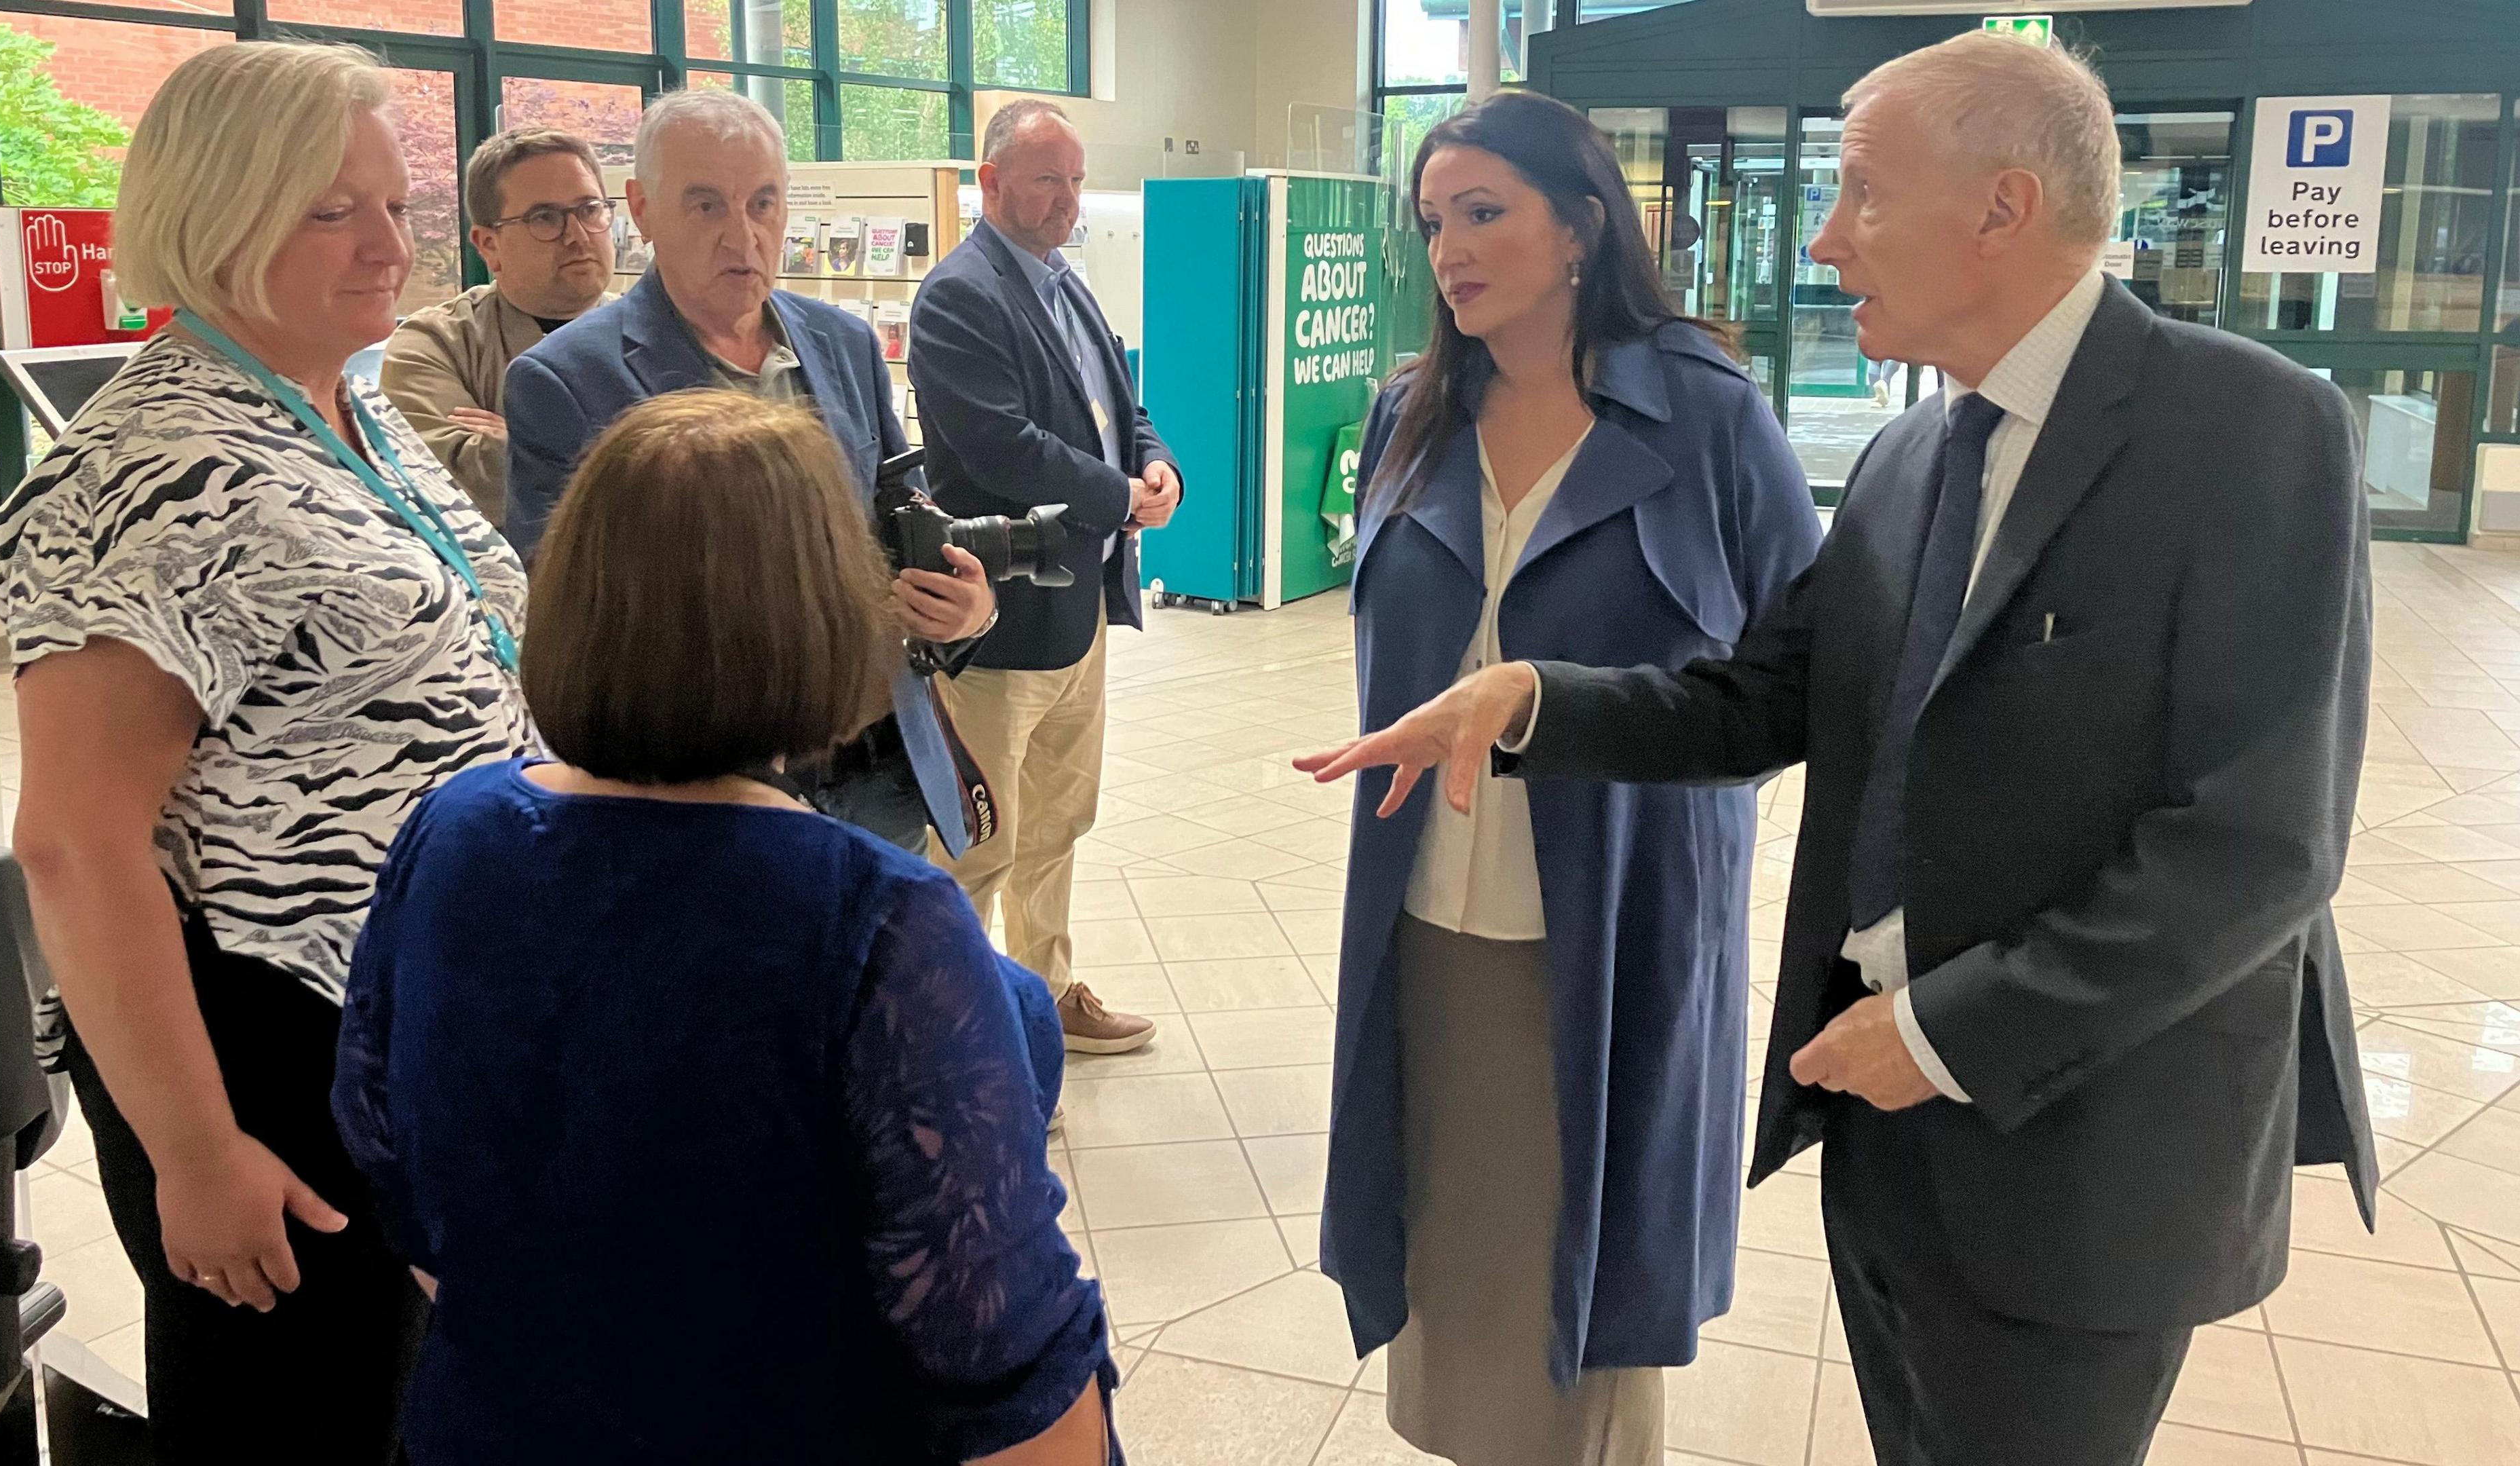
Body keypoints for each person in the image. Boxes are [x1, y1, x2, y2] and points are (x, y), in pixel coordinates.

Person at [1299, 33, 2377, 1466]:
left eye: (1863, 193)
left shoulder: (2249, 428)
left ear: (2002, 208)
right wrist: (1531, 702)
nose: (1823, 236)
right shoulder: (1908, 459)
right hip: (1882, 1123)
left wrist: (1943, 1030)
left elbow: (2260, 845)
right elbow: (1760, 700)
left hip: (2080, 1143)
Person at [332, 391, 1115, 1465]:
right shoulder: (878, 925)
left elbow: (396, 1173)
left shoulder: (453, 834)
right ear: (827, 610)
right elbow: (1015, 1381)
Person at [0, 41, 537, 1462]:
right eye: (329, 210)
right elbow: (75, 841)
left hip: (395, 1015)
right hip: (260, 1042)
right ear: (216, 211)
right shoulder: (149, 468)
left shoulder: (340, 402)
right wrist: (197, 1153)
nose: (387, 244)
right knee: (298, 1424)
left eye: (397, 204)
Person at [1296, 91, 1818, 1465]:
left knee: (1587, 1275)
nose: (1450, 250)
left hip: (1618, 921)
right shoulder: (1415, 411)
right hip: (1429, 911)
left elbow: (1795, 676)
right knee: (1453, 1255)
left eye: (1484, 213)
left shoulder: (1703, 411)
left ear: (1581, 225)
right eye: (1432, 223)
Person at [505, 88, 995, 857]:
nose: (745, 235)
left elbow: (894, 514)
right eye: (705, 206)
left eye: (764, 202)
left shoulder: (844, 344)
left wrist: (960, 608)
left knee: (878, 967)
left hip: (880, 765)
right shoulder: (568, 382)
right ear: (642, 208)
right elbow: (576, 618)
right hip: (709, 789)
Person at [910, 98, 1172, 1056]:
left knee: (1059, 822)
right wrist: (1119, 495)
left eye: (1072, 178)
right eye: (1044, 179)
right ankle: (963, 1039)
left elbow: (1119, 406)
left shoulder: (1066, 283)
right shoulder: (960, 295)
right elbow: (1002, 450)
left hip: (1080, 611)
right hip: (999, 624)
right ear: (990, 183)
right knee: (980, 843)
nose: (1066, 199)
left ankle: (1046, 996)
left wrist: (1157, 467)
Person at [380, 126, 617, 525]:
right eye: (545, 218)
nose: (577, 236)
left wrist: (521, 444)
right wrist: (622, 450)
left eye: (589, 209)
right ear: (488, 244)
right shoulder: (434, 345)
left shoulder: (659, 331)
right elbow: (449, 490)